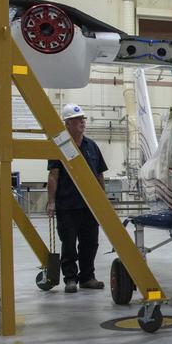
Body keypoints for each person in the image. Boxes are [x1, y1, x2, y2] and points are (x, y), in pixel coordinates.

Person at [46, 103, 110, 294]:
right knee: (69, 244)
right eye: (77, 119)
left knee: (90, 243)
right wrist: (51, 202)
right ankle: (71, 279)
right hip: (67, 205)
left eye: (83, 119)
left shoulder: (92, 146)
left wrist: (103, 200)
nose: (82, 122)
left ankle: (87, 277)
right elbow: (53, 176)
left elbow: (99, 175)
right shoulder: (60, 146)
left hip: (90, 206)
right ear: (67, 124)